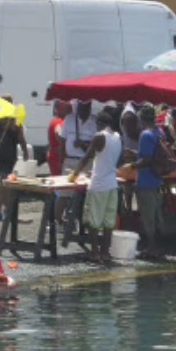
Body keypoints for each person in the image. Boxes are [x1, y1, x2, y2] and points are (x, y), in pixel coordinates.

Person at [72, 109, 124, 264]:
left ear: (100, 124)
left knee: (93, 221)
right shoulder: (117, 137)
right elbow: (113, 161)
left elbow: (86, 157)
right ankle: (105, 253)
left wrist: (73, 175)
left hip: (98, 185)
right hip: (111, 184)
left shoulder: (99, 136)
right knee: (108, 222)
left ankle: (94, 253)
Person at [133, 105, 168, 259]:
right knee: (155, 214)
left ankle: (152, 247)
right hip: (157, 178)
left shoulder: (145, 135)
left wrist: (132, 165)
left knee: (148, 216)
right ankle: (157, 246)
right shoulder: (159, 132)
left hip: (146, 179)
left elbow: (146, 159)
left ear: (141, 119)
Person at [47, 99, 72, 177]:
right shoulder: (59, 121)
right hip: (57, 157)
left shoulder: (56, 120)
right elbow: (59, 133)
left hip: (54, 156)